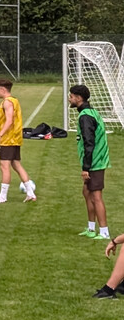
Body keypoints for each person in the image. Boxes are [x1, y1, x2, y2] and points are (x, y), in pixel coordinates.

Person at [69, 85, 111, 240]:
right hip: (95, 160)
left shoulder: (85, 116)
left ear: (79, 98)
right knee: (86, 192)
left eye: (72, 96)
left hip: (95, 162)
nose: (70, 99)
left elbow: (89, 142)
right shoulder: (90, 112)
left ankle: (104, 232)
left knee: (96, 196)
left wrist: (86, 167)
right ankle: (91, 228)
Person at [0, 79, 36, 203]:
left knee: (4, 166)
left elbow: (9, 120)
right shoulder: (12, 101)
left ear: (2, 89)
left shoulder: (8, 103)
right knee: (16, 164)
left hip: (8, 140)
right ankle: (30, 193)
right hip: (15, 139)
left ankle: (3, 196)